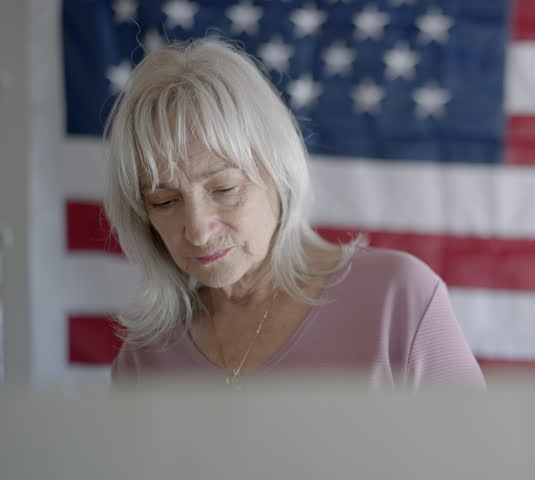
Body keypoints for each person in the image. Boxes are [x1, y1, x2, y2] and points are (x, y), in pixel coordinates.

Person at [105, 39, 484, 389]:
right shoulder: (145, 357)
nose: (199, 231)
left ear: (279, 172)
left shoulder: (398, 298)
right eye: (165, 202)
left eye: (225, 190)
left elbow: (481, 461)